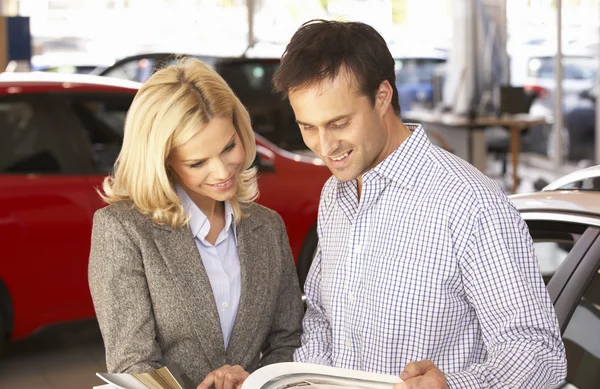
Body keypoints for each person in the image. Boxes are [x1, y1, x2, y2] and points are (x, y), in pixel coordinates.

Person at [273, 19, 567, 389]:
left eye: (340, 123)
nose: (325, 146)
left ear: (382, 97)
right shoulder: (336, 192)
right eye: (308, 127)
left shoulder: (470, 204)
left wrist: (453, 386)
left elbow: (539, 354)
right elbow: (320, 315)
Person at [88, 57, 304, 388]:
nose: (222, 171)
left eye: (229, 146)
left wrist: (253, 381)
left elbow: (288, 341)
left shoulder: (267, 227)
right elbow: (132, 364)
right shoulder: (123, 230)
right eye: (198, 162)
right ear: (164, 163)